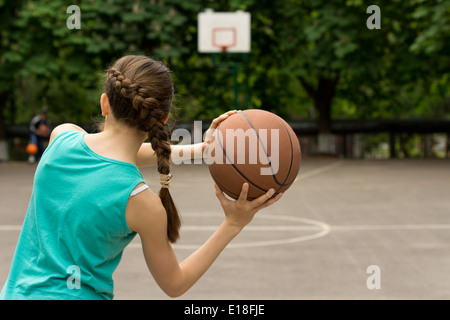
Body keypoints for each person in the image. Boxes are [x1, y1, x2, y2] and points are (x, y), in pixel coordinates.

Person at [0, 55, 282, 300]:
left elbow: (108, 157)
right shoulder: (140, 202)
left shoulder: (61, 138)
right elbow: (175, 283)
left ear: (104, 103)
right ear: (162, 119)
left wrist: (201, 150)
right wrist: (233, 223)